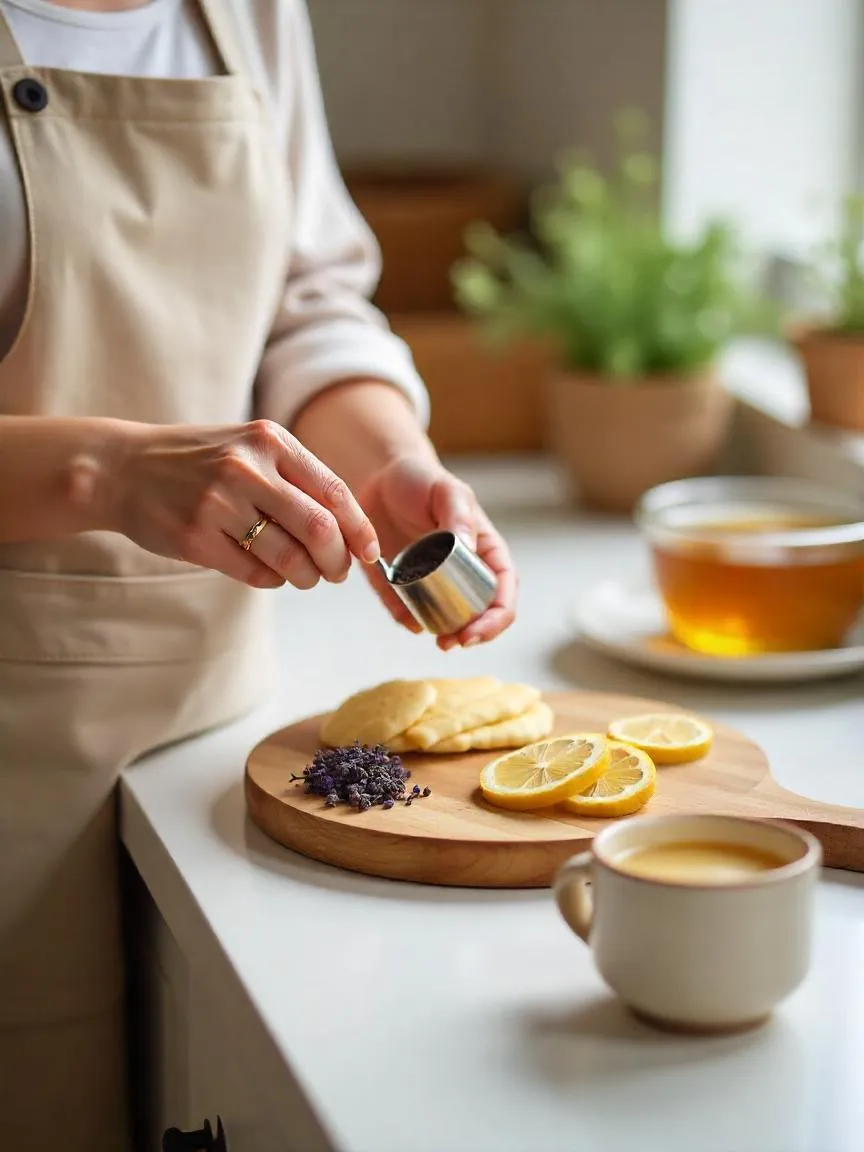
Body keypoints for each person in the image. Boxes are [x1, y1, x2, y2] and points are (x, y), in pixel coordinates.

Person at [0, 0, 517, 1145]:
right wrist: (104, 471)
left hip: (214, 741)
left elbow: (309, 299)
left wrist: (388, 461)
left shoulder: (247, 12)